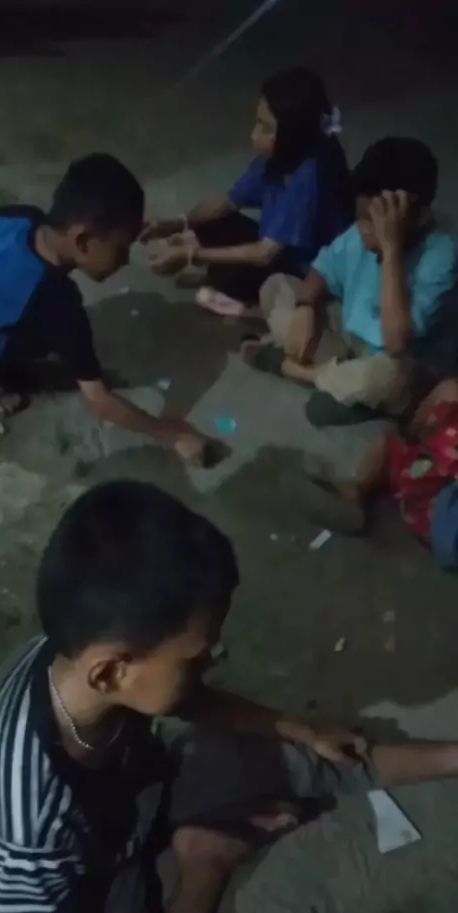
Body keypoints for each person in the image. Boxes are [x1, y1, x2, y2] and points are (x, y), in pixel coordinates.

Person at [0, 481, 458, 913]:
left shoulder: (85, 659)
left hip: (136, 795)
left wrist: (296, 727)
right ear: (110, 672)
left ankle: (450, 758)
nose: (211, 661)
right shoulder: (28, 815)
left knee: (304, 753)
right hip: (91, 890)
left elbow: (188, 700)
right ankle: (202, 866)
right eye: (195, 656)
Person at [0, 153, 208, 464]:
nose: (125, 260)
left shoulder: (25, 216)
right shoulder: (57, 304)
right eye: (121, 248)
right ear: (84, 241)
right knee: (38, 338)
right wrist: (173, 436)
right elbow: (100, 401)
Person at [248, 137, 457, 427]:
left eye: (373, 223)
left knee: (387, 377)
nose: (363, 231)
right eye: (362, 220)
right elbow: (323, 268)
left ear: (419, 216)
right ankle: (336, 381)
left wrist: (391, 249)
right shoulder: (360, 230)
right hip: (350, 340)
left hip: (396, 363)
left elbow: (397, 344)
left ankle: (298, 371)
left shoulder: (442, 256)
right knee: (276, 287)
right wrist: (305, 307)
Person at [143, 67, 351, 317]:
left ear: (291, 135)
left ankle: (251, 309)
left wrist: (192, 255)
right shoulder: (281, 157)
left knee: (243, 276)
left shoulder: (310, 177)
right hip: (280, 248)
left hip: (308, 270)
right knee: (213, 225)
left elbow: (265, 254)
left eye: (265, 128)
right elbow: (226, 203)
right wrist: (173, 224)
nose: (254, 135)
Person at [299, 378, 458, 562]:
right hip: (437, 517)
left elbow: (413, 431)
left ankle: (355, 492)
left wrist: (414, 434)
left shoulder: (449, 396)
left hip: (428, 505)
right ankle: (356, 493)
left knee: (388, 442)